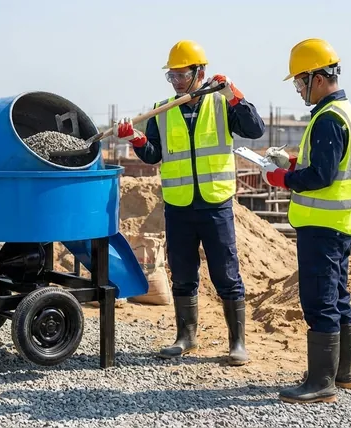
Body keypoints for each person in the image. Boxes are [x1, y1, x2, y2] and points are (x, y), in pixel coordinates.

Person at [113, 40, 265, 365]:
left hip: (215, 203)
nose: (178, 83)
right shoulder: (163, 111)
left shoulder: (222, 104)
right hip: (179, 205)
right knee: (182, 272)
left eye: (182, 76)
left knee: (226, 273)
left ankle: (237, 343)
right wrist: (136, 139)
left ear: (200, 72)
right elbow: (154, 154)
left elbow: (255, 129)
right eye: (173, 77)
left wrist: (235, 97)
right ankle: (186, 337)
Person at [261, 38, 351, 404]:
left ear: (318, 78)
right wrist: (292, 165)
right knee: (338, 296)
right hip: (340, 223)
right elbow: (328, 167)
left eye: (300, 81)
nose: (299, 89)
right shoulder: (345, 112)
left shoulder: (327, 118)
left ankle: (321, 382)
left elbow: (321, 175)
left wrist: (283, 179)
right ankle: (342, 373)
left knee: (319, 299)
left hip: (323, 226)